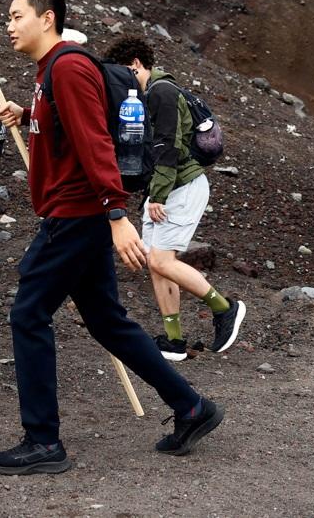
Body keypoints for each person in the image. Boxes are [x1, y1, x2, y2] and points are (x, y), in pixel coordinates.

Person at [0, 0, 223, 475]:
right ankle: (192, 407)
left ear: (46, 18)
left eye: (15, 16)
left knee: (28, 314)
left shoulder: (67, 67)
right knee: (107, 321)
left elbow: (93, 141)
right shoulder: (50, 72)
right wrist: (28, 114)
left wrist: (116, 213)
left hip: (77, 213)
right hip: (82, 212)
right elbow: (70, 130)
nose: (8, 26)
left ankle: (43, 442)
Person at [102, 36, 244, 361]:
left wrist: (158, 195)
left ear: (136, 63)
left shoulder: (162, 92)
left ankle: (225, 308)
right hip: (165, 189)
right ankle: (174, 340)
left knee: (161, 260)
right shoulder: (145, 95)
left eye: (122, 72)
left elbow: (168, 147)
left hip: (181, 187)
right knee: (157, 265)